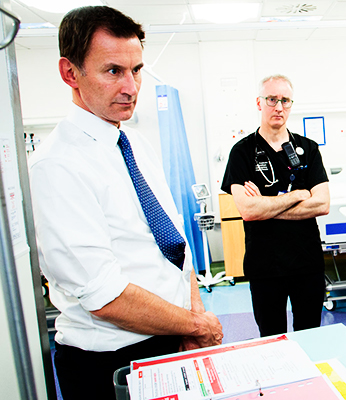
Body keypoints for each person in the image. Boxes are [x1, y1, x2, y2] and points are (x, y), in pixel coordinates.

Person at [28, 6, 222, 400]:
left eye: (136, 71)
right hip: (108, 360)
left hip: (170, 335)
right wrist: (196, 325)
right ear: (70, 73)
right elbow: (104, 294)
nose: (131, 87)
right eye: (113, 70)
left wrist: (191, 318)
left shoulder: (134, 144)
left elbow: (174, 246)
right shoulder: (56, 165)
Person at [221, 75, 330, 337]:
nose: (278, 107)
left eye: (285, 100)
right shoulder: (242, 152)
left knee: (311, 337)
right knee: (272, 340)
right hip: (265, 267)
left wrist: (266, 206)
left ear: (291, 104)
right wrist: (298, 195)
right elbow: (248, 211)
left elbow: (323, 203)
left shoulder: (308, 148)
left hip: (307, 263)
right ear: (259, 103)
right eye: (272, 99)